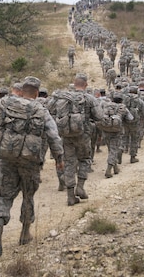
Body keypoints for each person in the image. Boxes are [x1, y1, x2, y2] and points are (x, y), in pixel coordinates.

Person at [0, 76, 64, 257]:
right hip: (30, 161)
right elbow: (53, 136)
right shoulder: (41, 109)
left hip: (7, 157)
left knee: (6, 194)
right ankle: (25, 233)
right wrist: (59, 158)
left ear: (21, 91)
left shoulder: (6, 104)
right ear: (37, 93)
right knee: (28, 195)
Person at [51, 73, 101, 206]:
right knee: (84, 160)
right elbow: (99, 116)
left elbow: (51, 110)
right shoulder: (89, 98)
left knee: (69, 163)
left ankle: (70, 196)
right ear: (86, 85)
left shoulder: (64, 98)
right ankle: (80, 187)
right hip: (83, 136)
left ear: (74, 84)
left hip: (66, 136)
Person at [102, 92, 133, 178]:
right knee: (113, 150)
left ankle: (115, 168)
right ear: (121, 100)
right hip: (117, 132)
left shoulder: (106, 105)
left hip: (105, 130)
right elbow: (130, 119)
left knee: (111, 149)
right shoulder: (122, 108)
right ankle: (108, 169)